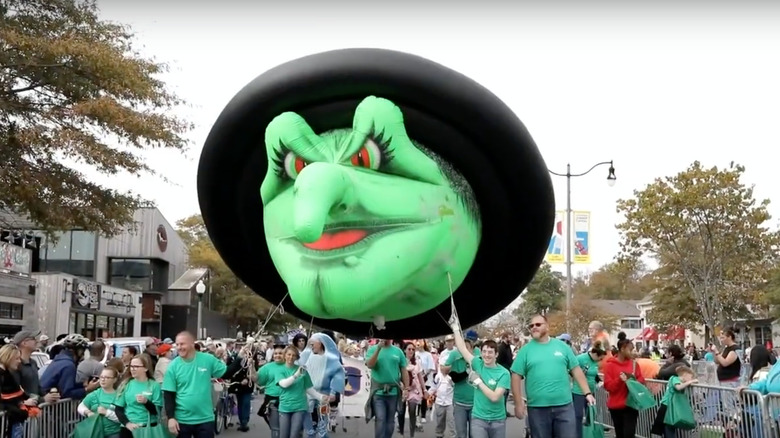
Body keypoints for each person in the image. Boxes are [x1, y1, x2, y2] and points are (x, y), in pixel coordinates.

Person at [511, 315, 594, 438]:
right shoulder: (525, 350)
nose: (534, 327)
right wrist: (518, 403)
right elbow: (516, 376)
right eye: (531, 326)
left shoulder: (562, 347)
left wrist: (587, 393)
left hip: (564, 407)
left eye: (538, 324)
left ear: (547, 327)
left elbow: (576, 370)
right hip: (537, 409)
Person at [163, 331, 234, 437]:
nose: (179, 347)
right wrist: (171, 418)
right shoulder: (173, 366)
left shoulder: (207, 359)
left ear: (192, 344)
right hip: (182, 420)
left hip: (205, 419)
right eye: (177, 344)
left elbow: (227, 373)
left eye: (182, 344)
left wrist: (241, 358)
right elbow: (168, 394)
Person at [603, 332, 645, 438]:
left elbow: (641, 379)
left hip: (631, 405)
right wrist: (619, 380)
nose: (634, 352)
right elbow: (608, 386)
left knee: (629, 434)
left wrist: (634, 382)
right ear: (622, 349)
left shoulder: (634, 364)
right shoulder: (610, 365)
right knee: (620, 433)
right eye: (631, 350)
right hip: (616, 406)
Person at [365, 339, 409, 438]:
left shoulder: (398, 351)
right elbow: (370, 365)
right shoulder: (372, 349)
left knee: (390, 421)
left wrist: (406, 388)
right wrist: (378, 349)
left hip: (393, 392)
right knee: (380, 418)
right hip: (378, 392)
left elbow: (404, 370)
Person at [41, 334, 97, 399]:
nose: (82, 354)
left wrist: (82, 385)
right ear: (75, 350)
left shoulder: (59, 360)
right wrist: (87, 389)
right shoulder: (68, 365)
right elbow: (66, 392)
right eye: (82, 350)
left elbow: (63, 384)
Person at [651, 366, 697, 438]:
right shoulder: (674, 379)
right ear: (685, 375)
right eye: (690, 377)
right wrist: (689, 382)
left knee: (670, 427)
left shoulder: (679, 381)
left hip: (671, 407)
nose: (691, 379)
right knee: (667, 427)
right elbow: (678, 387)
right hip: (667, 406)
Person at [572, 341, 607, 438]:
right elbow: (571, 371)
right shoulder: (581, 358)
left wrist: (599, 381)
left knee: (590, 416)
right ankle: (577, 435)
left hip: (591, 392)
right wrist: (581, 373)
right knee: (578, 415)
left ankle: (588, 434)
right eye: (600, 358)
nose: (601, 360)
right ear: (595, 354)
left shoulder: (595, 362)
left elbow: (594, 373)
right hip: (578, 391)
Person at [77, 366, 123, 438]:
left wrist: (107, 413)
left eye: (107, 377)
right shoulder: (94, 394)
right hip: (95, 432)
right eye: (101, 377)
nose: (103, 380)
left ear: (114, 380)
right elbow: (80, 407)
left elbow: (123, 418)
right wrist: (87, 412)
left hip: (113, 433)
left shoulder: (119, 396)